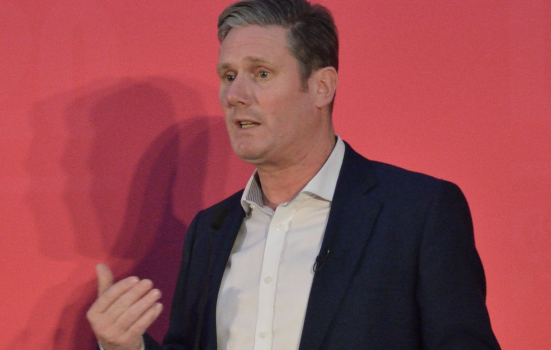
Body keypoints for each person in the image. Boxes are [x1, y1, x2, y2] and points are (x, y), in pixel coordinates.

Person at [87, 0, 501, 349]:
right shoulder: (208, 233)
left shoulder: (418, 212)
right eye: (228, 76)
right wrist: (127, 348)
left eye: (261, 74)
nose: (235, 95)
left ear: (322, 87)